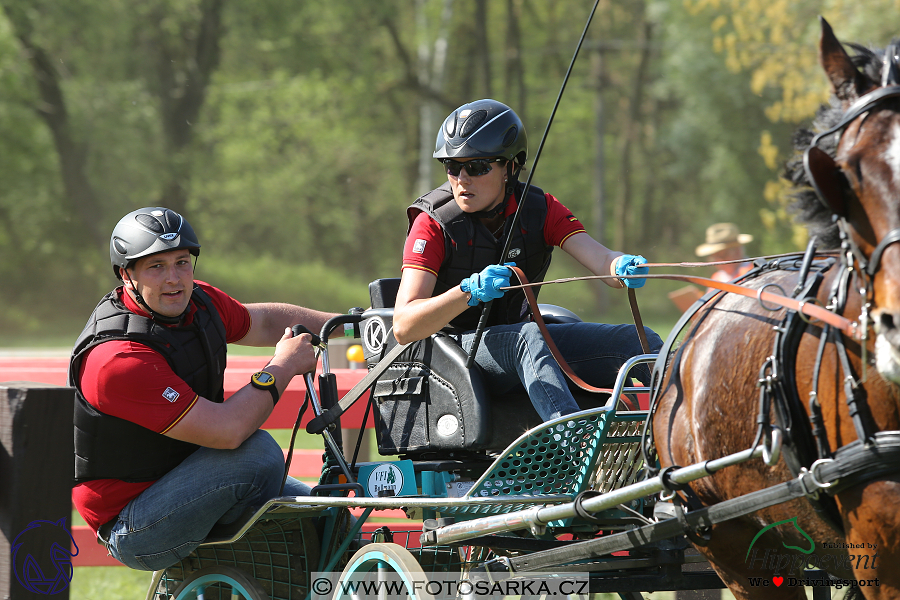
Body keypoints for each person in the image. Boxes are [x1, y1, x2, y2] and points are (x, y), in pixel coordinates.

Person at [70, 207, 339, 571]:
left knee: (334, 521)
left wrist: (357, 326)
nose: (174, 279)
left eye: (182, 262)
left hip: (191, 474)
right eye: (156, 267)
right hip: (134, 525)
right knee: (257, 454)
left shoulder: (199, 303)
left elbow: (265, 321)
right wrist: (284, 365)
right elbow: (227, 431)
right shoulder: (117, 359)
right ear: (125, 275)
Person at [394, 99, 663, 421]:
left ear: (511, 166)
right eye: (452, 166)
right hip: (454, 351)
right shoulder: (433, 223)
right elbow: (404, 325)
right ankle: (574, 445)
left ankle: (688, 433)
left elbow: (601, 259)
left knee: (637, 339)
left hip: (523, 342)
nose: (462, 179)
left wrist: (620, 267)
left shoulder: (540, 209)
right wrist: (468, 291)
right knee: (529, 337)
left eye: (477, 167)